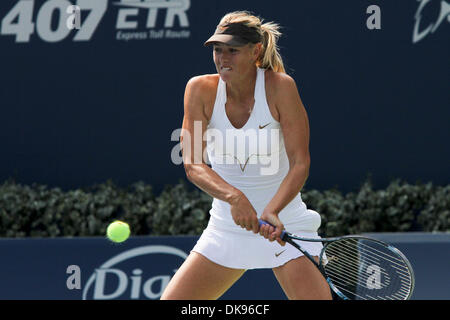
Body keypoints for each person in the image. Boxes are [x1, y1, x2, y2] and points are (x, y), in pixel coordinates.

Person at [161, 11, 332, 300]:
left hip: (285, 226)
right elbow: (192, 163)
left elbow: (300, 163)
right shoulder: (199, 90)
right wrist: (235, 197)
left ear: (256, 51)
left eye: (233, 50)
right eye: (217, 49)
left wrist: (273, 210)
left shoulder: (281, 87)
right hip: (226, 229)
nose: (222, 58)